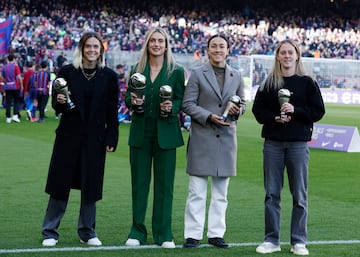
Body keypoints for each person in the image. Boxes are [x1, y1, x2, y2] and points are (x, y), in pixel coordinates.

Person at [41, 32, 119, 247]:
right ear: (81, 49)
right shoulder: (66, 71)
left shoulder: (110, 76)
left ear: (101, 50)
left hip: (95, 138)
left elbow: (112, 111)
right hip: (68, 135)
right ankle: (50, 231)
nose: (92, 50)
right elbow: (57, 106)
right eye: (88, 46)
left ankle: (87, 231)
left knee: (90, 184)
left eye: (96, 47)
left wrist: (112, 136)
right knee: (60, 182)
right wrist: (59, 101)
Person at [252, 39, 325, 255]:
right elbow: (258, 112)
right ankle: (271, 240)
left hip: (298, 144)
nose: (286, 56)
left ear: (296, 56)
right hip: (273, 143)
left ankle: (298, 241)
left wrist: (296, 111)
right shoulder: (268, 83)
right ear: (277, 56)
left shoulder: (307, 82)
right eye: (282, 52)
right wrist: (275, 118)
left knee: (299, 195)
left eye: (290, 52)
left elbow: (318, 111)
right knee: (272, 194)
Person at [182, 34, 246, 249]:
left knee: (221, 194)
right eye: (214, 46)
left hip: (226, 139)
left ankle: (216, 234)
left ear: (228, 50)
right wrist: (208, 116)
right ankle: (193, 234)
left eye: (222, 46)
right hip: (202, 138)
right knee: (196, 192)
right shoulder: (198, 75)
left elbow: (242, 103)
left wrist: (237, 111)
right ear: (208, 50)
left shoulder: (237, 75)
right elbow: (187, 104)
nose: (218, 49)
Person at [124, 27, 185, 249]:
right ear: (147, 44)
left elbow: (181, 100)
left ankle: (164, 233)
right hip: (141, 133)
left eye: (161, 41)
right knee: (139, 185)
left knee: (165, 187)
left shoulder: (176, 71)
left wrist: (173, 106)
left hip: (166, 134)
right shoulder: (135, 69)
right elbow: (129, 100)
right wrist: (133, 102)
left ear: (166, 45)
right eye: (153, 40)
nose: (157, 44)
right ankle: (137, 231)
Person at [0, 54, 23, 123]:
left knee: (8, 102)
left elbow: (1, 76)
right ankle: (15, 115)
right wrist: (21, 85)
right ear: (14, 59)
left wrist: (5, 81)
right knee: (17, 100)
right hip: (15, 86)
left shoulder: (4, 67)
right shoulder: (15, 67)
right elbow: (19, 77)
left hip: (7, 86)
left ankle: (8, 117)